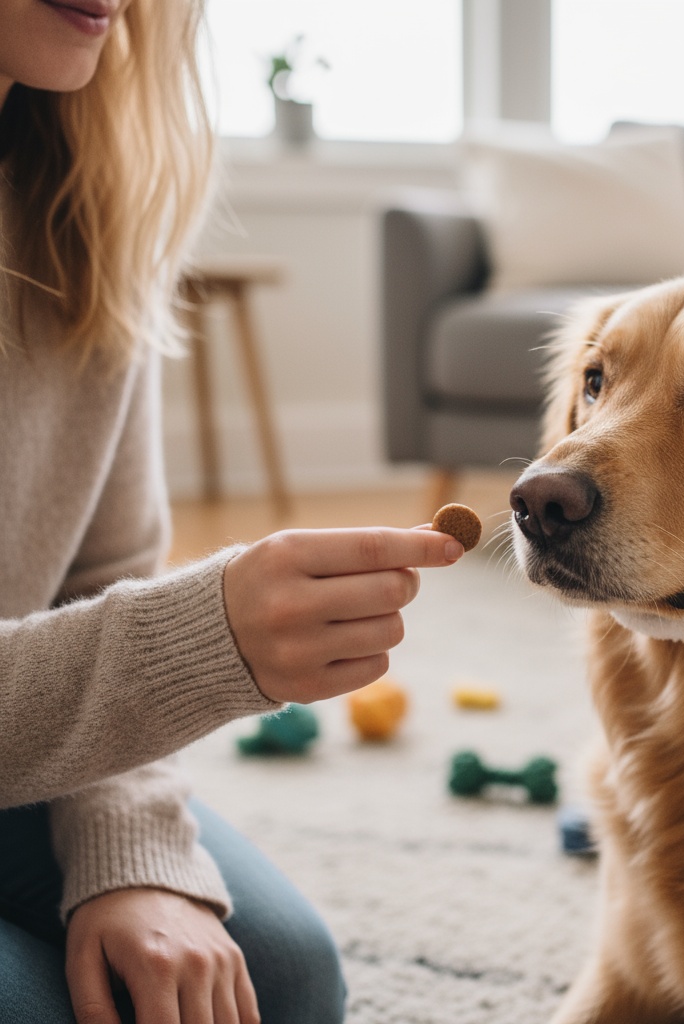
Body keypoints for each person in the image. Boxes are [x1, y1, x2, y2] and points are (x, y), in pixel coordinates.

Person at [0, 1, 465, 1021]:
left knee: (282, 977)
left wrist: (133, 856)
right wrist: (200, 641)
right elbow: (136, 628)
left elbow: (99, 576)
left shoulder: (76, 203)